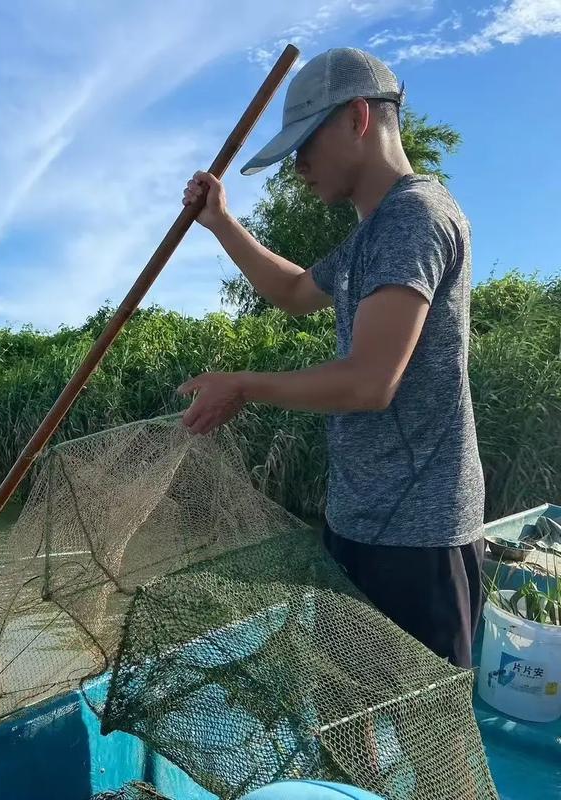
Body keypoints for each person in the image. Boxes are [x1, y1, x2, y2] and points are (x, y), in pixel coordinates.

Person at [179, 47, 485, 669]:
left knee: (428, 744)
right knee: (348, 722)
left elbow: (369, 383)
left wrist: (241, 385)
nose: (298, 168)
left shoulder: (415, 217)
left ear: (357, 118)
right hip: (359, 523)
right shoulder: (371, 237)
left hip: (418, 537)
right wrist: (219, 222)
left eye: (305, 144)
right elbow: (294, 292)